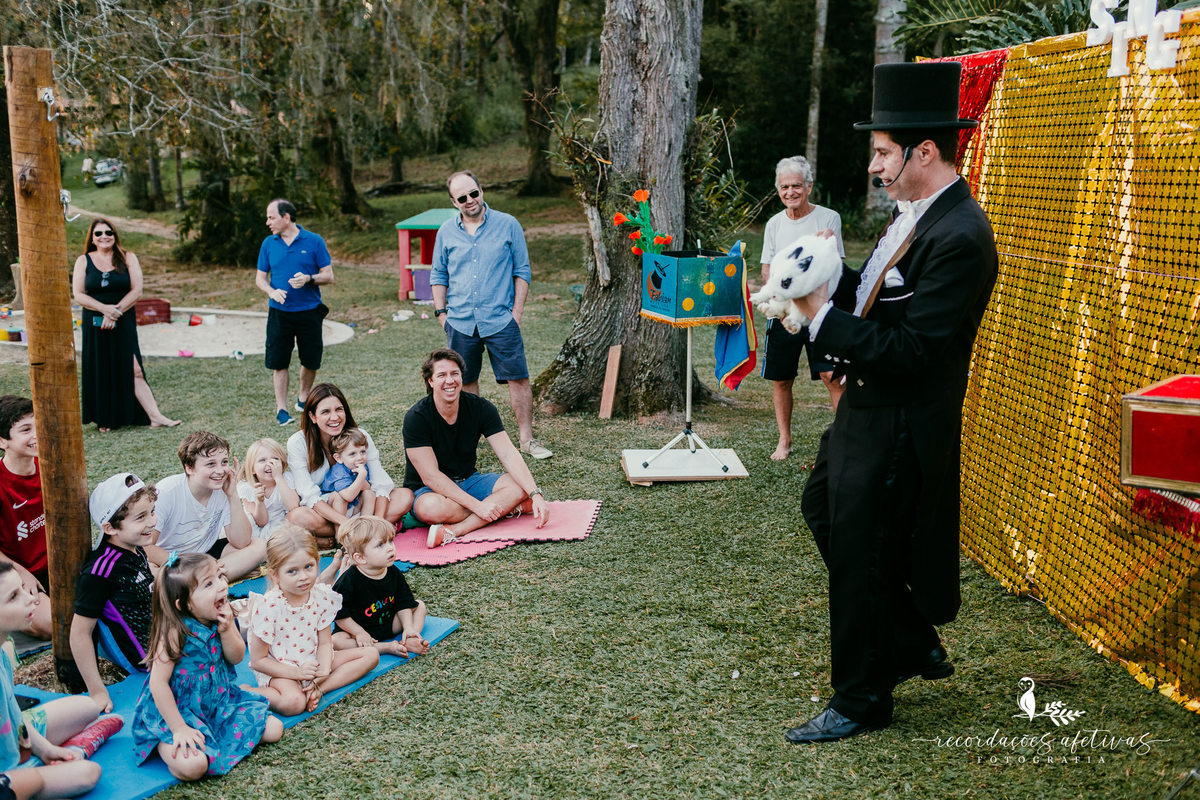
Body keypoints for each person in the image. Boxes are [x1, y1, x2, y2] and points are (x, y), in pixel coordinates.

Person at [786, 61, 998, 744]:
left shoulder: (961, 234)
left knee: (859, 547)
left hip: (903, 421)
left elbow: (914, 350)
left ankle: (861, 697)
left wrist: (820, 316)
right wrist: (822, 273)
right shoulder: (913, 216)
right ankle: (907, 636)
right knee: (824, 510)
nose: (875, 166)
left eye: (882, 153)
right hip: (868, 411)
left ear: (924, 152)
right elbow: (876, 293)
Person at [431, 170, 553, 460]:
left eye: (474, 193)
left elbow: (522, 270)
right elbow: (438, 274)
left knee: (518, 378)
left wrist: (517, 312)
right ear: (453, 201)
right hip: (459, 322)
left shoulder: (508, 225)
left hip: (501, 319)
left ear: (481, 190)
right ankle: (472, 437)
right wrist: (441, 313)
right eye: (462, 197)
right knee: (466, 380)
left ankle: (526, 439)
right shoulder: (446, 232)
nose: (470, 200)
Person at [131, 553, 283, 780]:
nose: (222, 586)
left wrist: (228, 629)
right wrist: (178, 728)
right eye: (209, 584)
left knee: (274, 729)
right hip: (180, 712)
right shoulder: (174, 633)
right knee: (194, 767)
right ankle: (162, 743)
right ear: (184, 605)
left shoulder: (221, 616)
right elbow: (158, 683)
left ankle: (215, 735)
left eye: (220, 576)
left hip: (218, 704)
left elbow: (236, 657)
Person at [404, 349, 550, 548]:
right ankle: (509, 508)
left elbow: (508, 454)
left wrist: (535, 494)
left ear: (462, 377)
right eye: (441, 375)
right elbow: (431, 476)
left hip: (470, 481)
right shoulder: (416, 417)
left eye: (455, 374)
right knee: (430, 509)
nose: (450, 381)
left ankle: (455, 530)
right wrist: (478, 506)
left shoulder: (481, 408)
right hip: (431, 490)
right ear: (430, 381)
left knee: (519, 485)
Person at [0, 562, 118, 799]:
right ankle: (33, 766)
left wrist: (47, 750)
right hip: (5, 776)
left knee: (87, 707)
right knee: (87, 774)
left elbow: (14, 716)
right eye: (13, 597)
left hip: (12, 738)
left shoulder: (3, 651)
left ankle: (37, 758)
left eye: (23, 588)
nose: (30, 599)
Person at [759, 156, 845, 460]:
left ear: (808, 186)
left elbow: (834, 266)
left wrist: (807, 301)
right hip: (783, 313)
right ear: (778, 190)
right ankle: (784, 440)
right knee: (782, 379)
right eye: (784, 186)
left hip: (821, 311)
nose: (790, 191)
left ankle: (843, 441)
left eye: (796, 185)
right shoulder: (774, 224)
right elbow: (767, 270)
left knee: (831, 375)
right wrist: (785, 302)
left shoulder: (828, 218)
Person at [247, 525, 378, 715]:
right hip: (281, 668)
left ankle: (319, 689)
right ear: (275, 575)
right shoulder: (269, 606)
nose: (303, 577)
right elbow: (258, 661)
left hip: (313, 660)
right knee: (294, 703)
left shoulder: (321, 596)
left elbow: (325, 642)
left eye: (308, 567)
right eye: (292, 571)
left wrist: (324, 669)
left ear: (317, 562)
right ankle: (250, 692)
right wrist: (297, 674)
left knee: (371, 655)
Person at [71, 218, 180, 432]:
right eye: (99, 233)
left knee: (134, 369)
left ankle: (155, 416)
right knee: (102, 368)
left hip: (123, 320)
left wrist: (116, 311)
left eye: (108, 232)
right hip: (95, 322)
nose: (104, 236)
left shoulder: (127, 257)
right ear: (92, 238)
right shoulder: (83, 261)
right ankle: (106, 419)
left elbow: (137, 291)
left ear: (115, 235)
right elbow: (78, 295)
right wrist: (104, 310)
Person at [69, 474, 159, 713]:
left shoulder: (135, 548)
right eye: (141, 517)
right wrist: (96, 689)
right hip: (148, 658)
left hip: (162, 635)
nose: (152, 521)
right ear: (109, 527)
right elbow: (79, 633)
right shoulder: (101, 571)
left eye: (151, 512)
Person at [286, 384, 413, 545]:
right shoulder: (298, 443)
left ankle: (364, 531)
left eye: (339, 409)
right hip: (326, 511)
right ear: (312, 416)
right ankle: (353, 533)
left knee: (405, 496)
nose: (334, 417)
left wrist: (377, 521)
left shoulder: (360, 436)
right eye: (326, 412)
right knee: (297, 517)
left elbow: (381, 483)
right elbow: (308, 495)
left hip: (362, 506)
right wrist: (345, 522)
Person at [255, 199, 334, 427]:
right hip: (280, 313)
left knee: (310, 361)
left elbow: (328, 275)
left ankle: (302, 398)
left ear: (286, 217)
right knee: (279, 362)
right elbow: (260, 278)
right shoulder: (269, 244)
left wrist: (309, 278)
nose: (268, 222)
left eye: (271, 217)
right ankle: (281, 409)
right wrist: (271, 291)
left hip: (309, 312)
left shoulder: (313, 241)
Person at [154, 432, 265, 581]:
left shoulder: (223, 489)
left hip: (205, 553)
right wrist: (183, 564)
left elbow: (241, 541)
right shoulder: (166, 492)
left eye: (224, 462)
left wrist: (232, 495)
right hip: (170, 560)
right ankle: (213, 578)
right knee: (151, 570)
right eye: (211, 464)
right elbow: (145, 546)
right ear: (189, 468)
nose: (220, 471)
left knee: (260, 546)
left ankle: (202, 581)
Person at [332, 516, 428, 658]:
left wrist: (408, 627)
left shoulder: (393, 572)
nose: (390, 548)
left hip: (389, 624)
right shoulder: (348, 581)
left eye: (390, 541)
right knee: (336, 641)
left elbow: (404, 603)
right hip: (358, 632)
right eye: (380, 545)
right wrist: (359, 632)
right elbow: (339, 614)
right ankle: (384, 647)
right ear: (360, 558)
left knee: (419, 606)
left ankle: (410, 638)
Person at [0, 397, 49, 641]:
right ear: (2, 441)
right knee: (52, 625)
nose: (36, 434)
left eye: (38, 425)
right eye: (26, 429)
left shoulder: (51, 466)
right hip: (18, 571)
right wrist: (21, 573)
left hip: (57, 565)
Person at [236, 439, 302, 541]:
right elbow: (261, 522)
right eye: (262, 460)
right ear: (252, 469)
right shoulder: (247, 487)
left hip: (283, 521)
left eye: (275, 459)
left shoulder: (287, 478)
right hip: (259, 526)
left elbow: (293, 506)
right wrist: (260, 501)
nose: (270, 463)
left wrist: (278, 477)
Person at [320, 429, 374, 519]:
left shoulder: (360, 467)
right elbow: (348, 496)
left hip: (352, 505)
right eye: (352, 454)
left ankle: (365, 525)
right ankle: (340, 531)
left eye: (362, 452)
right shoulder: (339, 472)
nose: (360, 457)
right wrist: (361, 476)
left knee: (369, 494)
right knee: (340, 498)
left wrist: (362, 477)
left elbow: (367, 487)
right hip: (333, 510)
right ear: (338, 458)